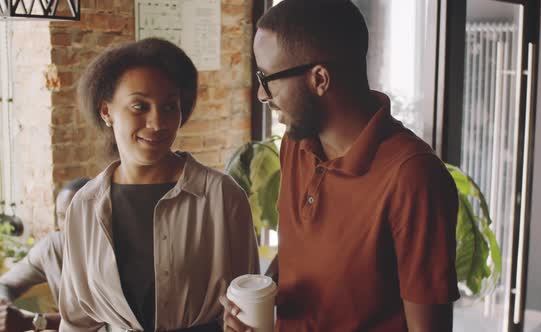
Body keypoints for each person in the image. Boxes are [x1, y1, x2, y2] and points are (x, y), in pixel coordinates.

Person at [222, 0, 460, 331]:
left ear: (319, 79)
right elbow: (299, 253)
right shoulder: (296, 143)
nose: (263, 95)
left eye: (268, 78)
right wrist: (262, 292)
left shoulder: (413, 176)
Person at [59, 38, 259, 332]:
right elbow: (76, 322)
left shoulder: (221, 196)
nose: (157, 122)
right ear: (106, 112)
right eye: (139, 106)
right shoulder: (85, 206)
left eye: (169, 107)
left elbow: (250, 303)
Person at [0, 178, 90, 332]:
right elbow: (4, 284)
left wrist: (35, 321)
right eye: (62, 216)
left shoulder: (117, 253)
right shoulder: (53, 248)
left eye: (76, 215)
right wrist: (3, 310)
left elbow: (101, 320)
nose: (67, 224)